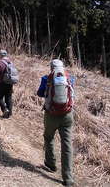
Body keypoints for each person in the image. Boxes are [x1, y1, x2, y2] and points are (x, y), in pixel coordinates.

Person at [37, 59, 75, 187]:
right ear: (63, 67)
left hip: (51, 115)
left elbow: (40, 93)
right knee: (67, 145)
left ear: (51, 68)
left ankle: (51, 164)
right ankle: (68, 178)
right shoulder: (70, 78)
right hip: (67, 115)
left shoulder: (45, 78)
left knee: (48, 137)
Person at [0, 49, 15, 118]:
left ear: (0, 55)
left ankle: (5, 109)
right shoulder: (10, 62)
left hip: (2, 83)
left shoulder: (0, 63)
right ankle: (9, 114)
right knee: (8, 98)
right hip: (10, 83)